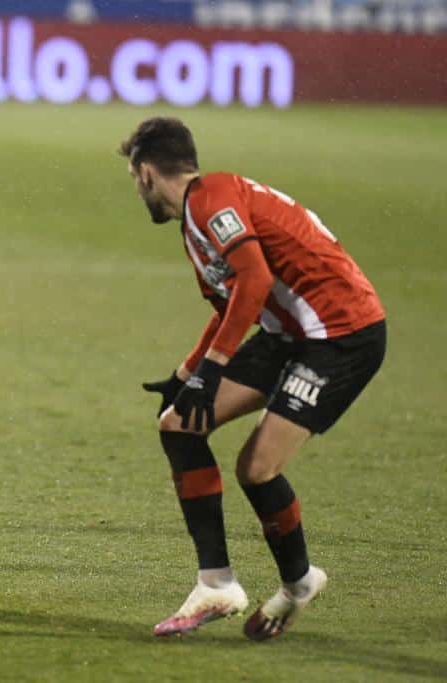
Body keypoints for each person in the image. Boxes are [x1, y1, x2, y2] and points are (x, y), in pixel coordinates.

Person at [119, 117, 386, 641]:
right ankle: (216, 583)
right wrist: (185, 373)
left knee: (257, 468)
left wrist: (214, 368)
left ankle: (297, 583)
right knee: (179, 424)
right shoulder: (197, 218)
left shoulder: (211, 199)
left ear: (146, 173)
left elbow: (257, 279)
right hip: (286, 332)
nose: (137, 191)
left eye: (134, 180)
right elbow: (230, 304)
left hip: (341, 333)